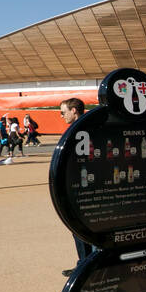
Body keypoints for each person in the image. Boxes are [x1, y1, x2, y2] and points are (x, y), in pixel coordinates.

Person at [58, 98, 91, 275]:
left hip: (83, 186)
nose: (61, 115)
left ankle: (87, 267)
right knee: (79, 229)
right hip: (82, 184)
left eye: (63, 112)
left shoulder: (80, 130)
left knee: (81, 228)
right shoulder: (83, 127)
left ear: (74, 111)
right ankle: (84, 264)